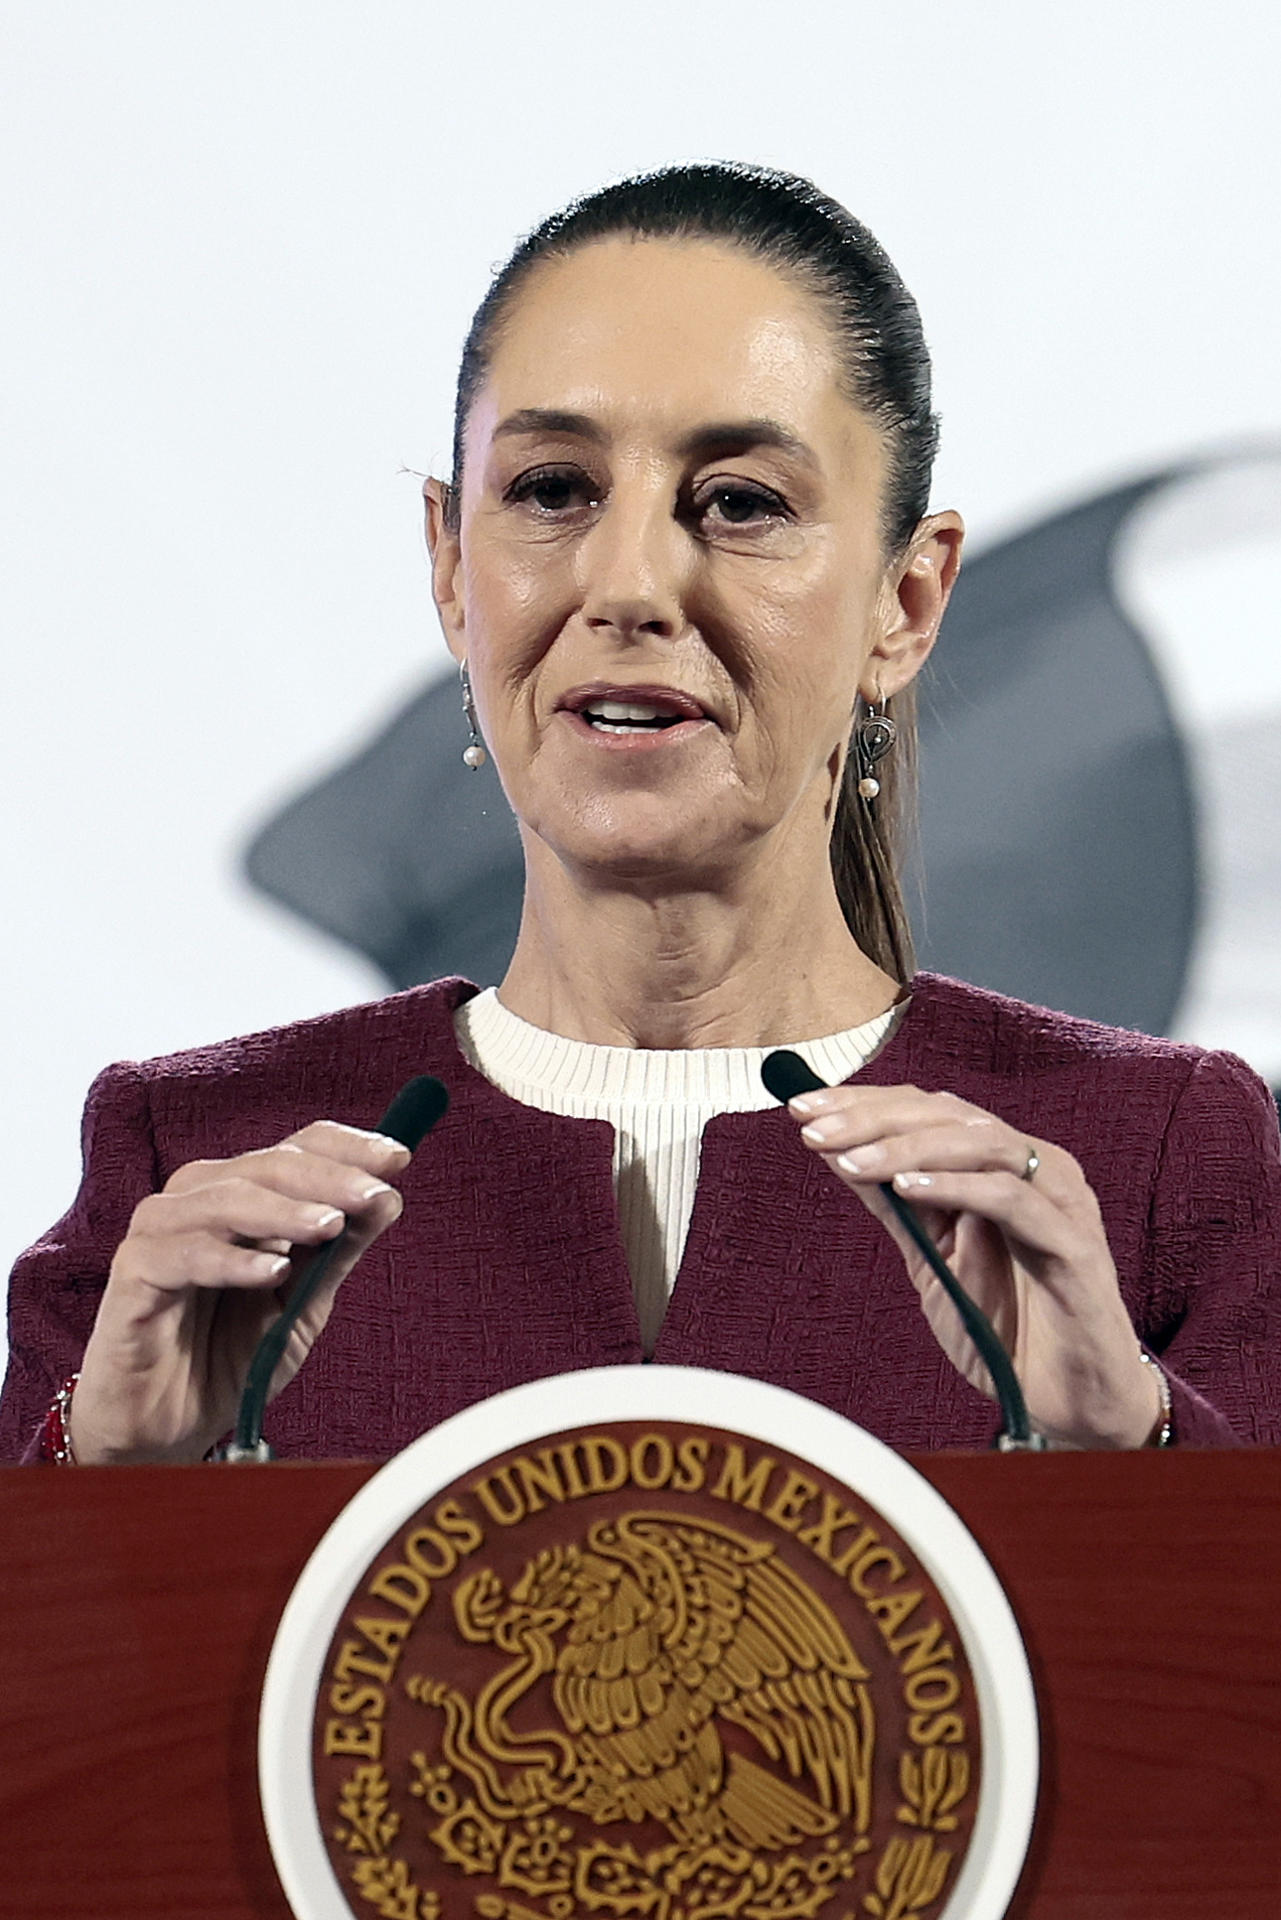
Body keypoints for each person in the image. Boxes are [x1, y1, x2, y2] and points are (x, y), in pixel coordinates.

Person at [3, 163, 1279, 1468]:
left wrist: (1135, 1446)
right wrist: (109, 1478)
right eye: (553, 491)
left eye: (739, 503)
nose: (626, 585)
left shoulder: (1159, 1158)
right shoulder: (189, 1164)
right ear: (451, 569)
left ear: (902, 605)